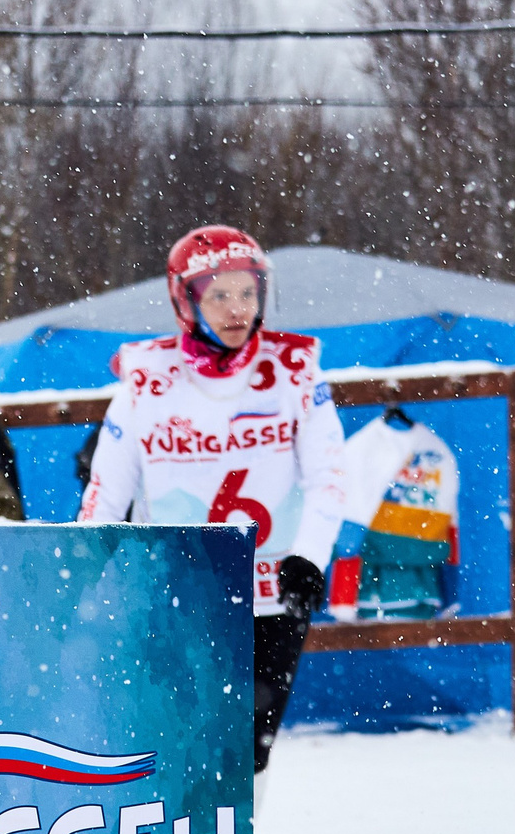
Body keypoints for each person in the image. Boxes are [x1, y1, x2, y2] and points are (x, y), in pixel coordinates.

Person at [77, 226, 345, 799]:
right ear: (186, 299)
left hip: (274, 591)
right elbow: (105, 494)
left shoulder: (295, 371)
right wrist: (88, 571)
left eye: (247, 292)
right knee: (173, 740)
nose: (237, 309)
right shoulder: (146, 382)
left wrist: (308, 559)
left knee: (250, 748)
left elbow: (330, 479)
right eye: (218, 294)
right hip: (179, 589)